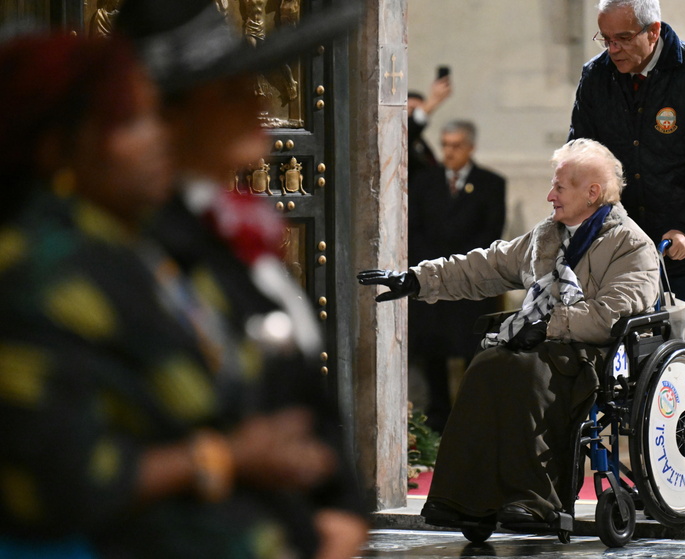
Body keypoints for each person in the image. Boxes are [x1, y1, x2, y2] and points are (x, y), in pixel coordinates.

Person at [113, 1, 370, 557]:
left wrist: (342, 515)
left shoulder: (236, 239)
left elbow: (310, 414)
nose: (260, 104)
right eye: (228, 92)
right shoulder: (135, 248)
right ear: (169, 115)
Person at [360, 138, 659, 530]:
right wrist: (416, 280)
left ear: (593, 192)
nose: (549, 195)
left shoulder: (631, 245)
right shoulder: (548, 236)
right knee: (486, 366)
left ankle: (533, 500)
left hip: (593, 355)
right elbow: (485, 265)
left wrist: (548, 325)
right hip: (539, 342)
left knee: (527, 374)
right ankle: (461, 500)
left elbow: (611, 315)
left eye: (559, 187)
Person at [567, 0, 685, 368]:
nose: (613, 49)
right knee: (624, 369)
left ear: (654, 32)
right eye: (606, 38)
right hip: (625, 250)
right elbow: (581, 157)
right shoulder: (596, 77)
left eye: (623, 38)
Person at [407, 119, 506, 433]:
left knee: (471, 353)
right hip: (433, 281)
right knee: (432, 353)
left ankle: (471, 421)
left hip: (471, 284)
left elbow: (490, 234)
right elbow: (413, 231)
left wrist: (458, 267)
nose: (448, 152)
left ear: (470, 147)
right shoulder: (424, 182)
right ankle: (438, 419)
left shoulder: (491, 182)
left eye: (456, 145)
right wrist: (436, 268)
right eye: (445, 145)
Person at [407, 74, 451, 179]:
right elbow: (410, 128)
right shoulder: (397, 139)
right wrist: (435, 100)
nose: (414, 115)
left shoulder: (420, 142)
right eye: (412, 109)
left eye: (419, 110)